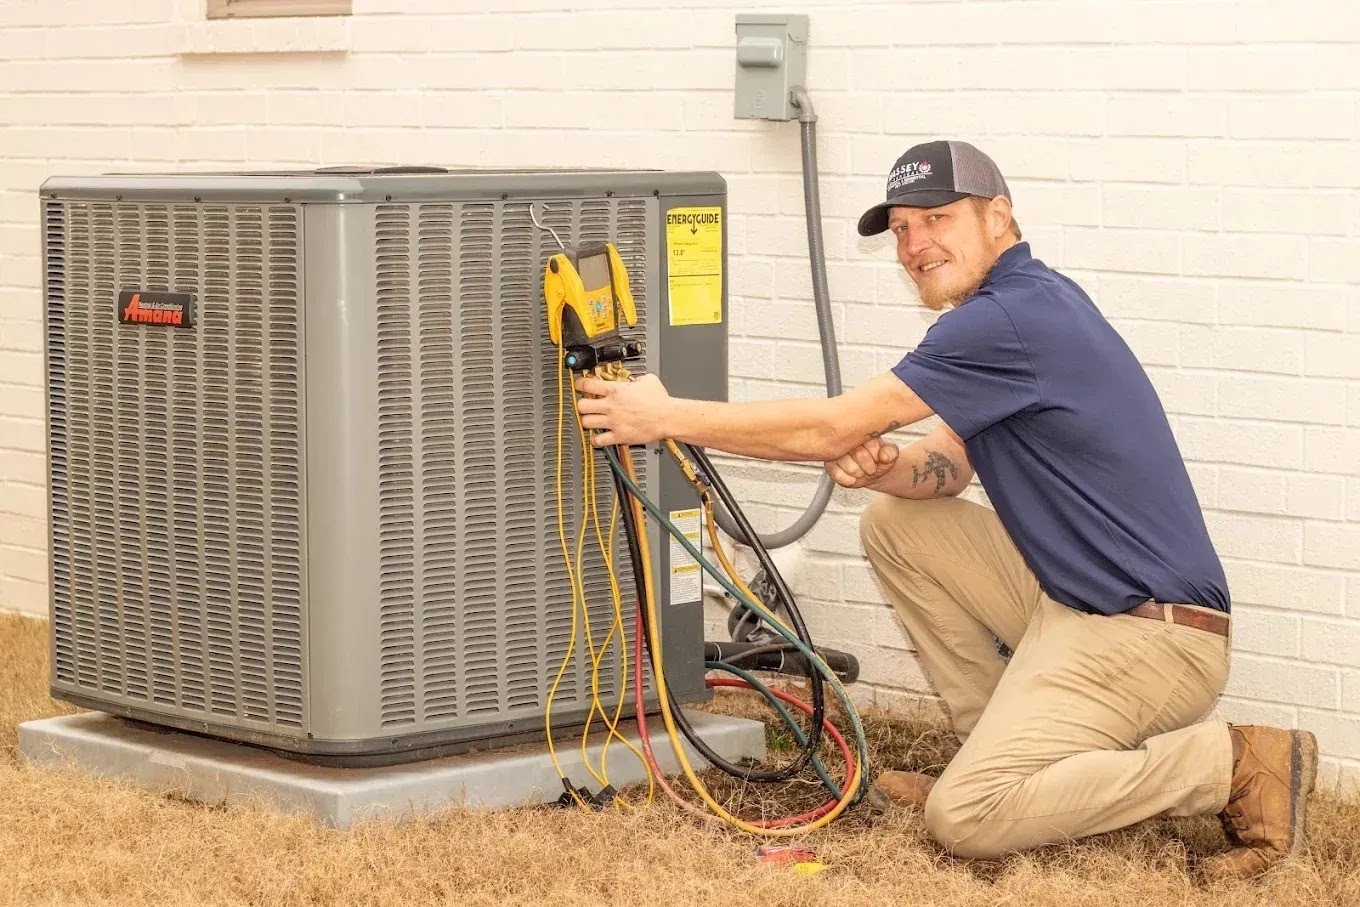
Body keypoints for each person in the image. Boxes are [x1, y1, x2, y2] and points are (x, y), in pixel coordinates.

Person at [574, 139, 1316, 880]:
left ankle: (1230, 759)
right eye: (900, 229)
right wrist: (886, 466)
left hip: (1153, 635)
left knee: (963, 817)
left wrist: (663, 416)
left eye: (936, 217)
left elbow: (831, 424)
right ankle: (999, 748)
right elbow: (949, 467)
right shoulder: (1030, 301)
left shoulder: (1007, 320)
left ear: (999, 216)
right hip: (1083, 604)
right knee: (896, 526)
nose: (915, 243)